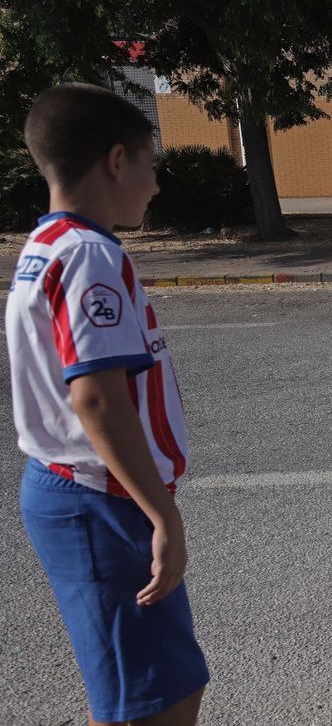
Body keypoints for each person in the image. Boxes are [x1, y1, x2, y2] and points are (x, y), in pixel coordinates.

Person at [8, 84, 209, 725]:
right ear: (116, 161)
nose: (155, 186)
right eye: (151, 165)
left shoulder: (46, 247)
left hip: (79, 492)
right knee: (153, 701)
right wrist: (162, 517)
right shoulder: (90, 255)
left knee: (158, 686)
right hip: (99, 498)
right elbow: (97, 396)